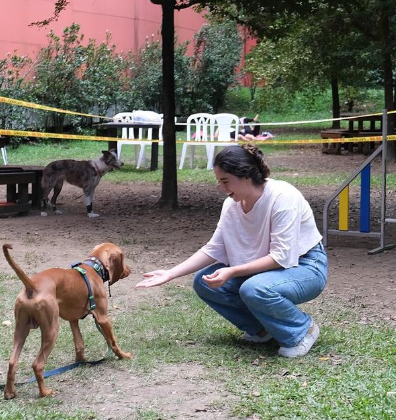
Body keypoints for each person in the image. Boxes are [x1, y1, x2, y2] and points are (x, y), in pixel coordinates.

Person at [135, 143, 328, 357]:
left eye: (225, 181)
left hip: (306, 266)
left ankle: (302, 330)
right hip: (267, 267)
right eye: (219, 182)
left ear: (246, 176)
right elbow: (214, 248)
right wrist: (171, 273)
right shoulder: (232, 204)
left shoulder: (283, 197)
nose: (222, 188)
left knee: (254, 288)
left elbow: (281, 257)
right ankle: (262, 329)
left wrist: (233, 271)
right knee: (204, 281)